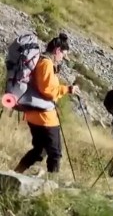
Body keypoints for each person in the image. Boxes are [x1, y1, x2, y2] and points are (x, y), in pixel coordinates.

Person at [13, 33, 79, 176]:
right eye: (63, 55)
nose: (62, 58)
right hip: (45, 118)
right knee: (55, 153)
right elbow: (48, 91)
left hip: (33, 115)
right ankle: (51, 183)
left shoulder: (41, 61)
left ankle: (16, 173)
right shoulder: (46, 64)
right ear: (57, 50)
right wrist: (67, 89)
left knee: (39, 150)